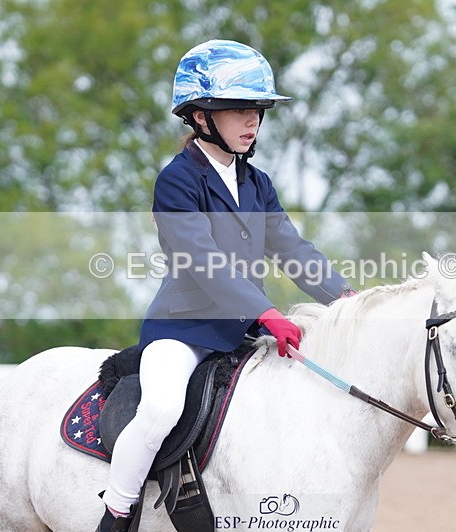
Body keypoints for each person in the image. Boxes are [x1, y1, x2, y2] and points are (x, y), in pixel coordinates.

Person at [96, 39, 354, 532]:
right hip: (183, 328)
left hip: (243, 332)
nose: (252, 121)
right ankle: (117, 509)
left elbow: (291, 249)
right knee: (160, 408)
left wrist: (344, 299)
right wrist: (266, 312)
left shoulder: (257, 183)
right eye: (238, 110)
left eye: (257, 109)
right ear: (199, 117)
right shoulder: (177, 180)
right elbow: (202, 260)